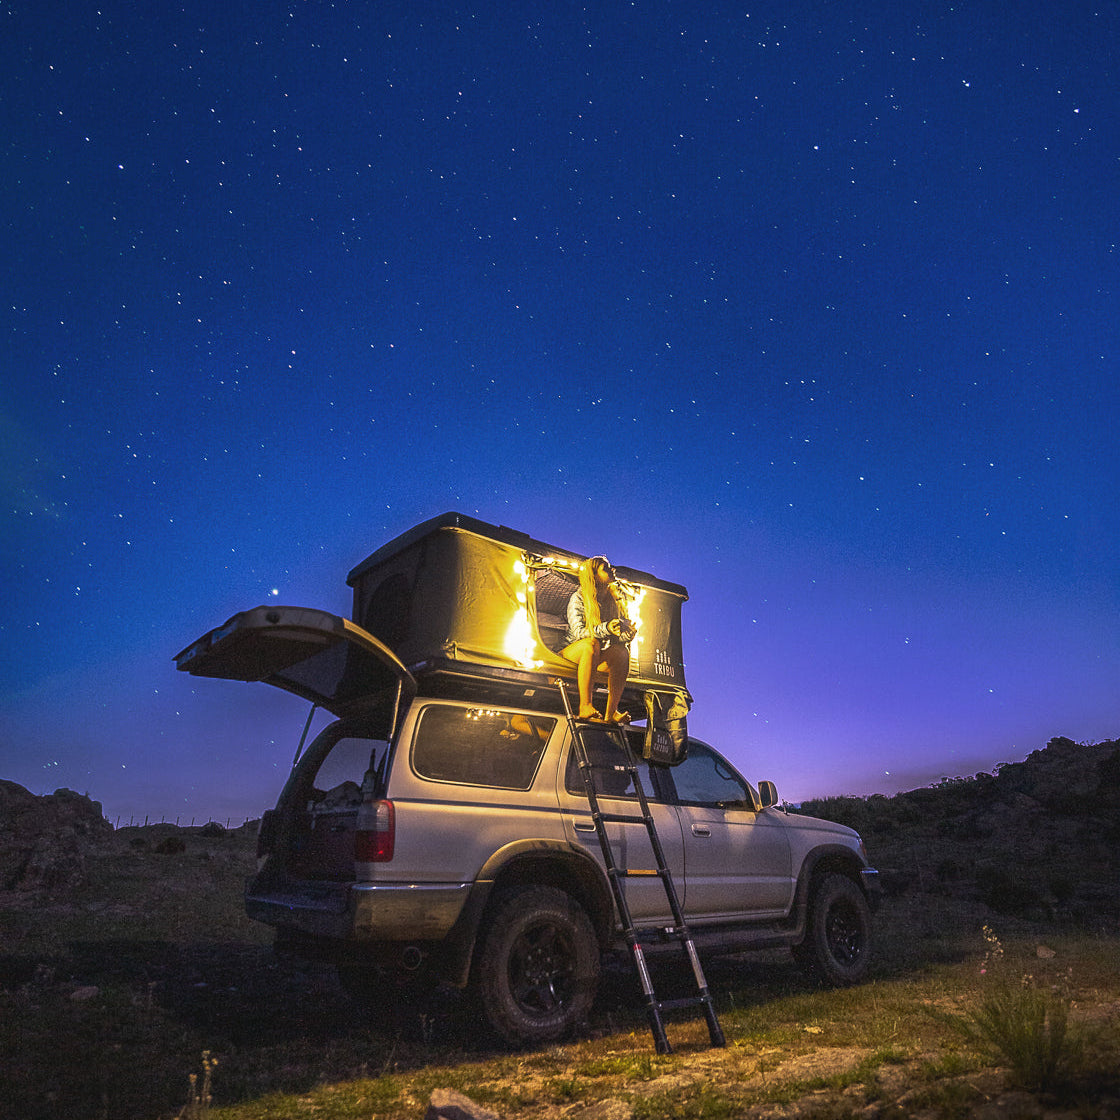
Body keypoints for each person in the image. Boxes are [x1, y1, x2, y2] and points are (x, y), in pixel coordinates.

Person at [559, 556, 636, 723]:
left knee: (622, 652)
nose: (612, 570)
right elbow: (579, 633)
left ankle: (611, 712)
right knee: (590, 644)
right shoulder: (578, 598)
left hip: (594, 654)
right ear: (594, 575)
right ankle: (585, 705)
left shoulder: (611, 602)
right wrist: (606, 628)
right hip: (570, 652)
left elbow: (614, 638)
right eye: (605, 568)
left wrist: (626, 635)